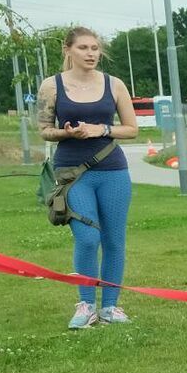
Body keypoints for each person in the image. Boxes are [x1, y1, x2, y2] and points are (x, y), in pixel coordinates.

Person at [36, 26, 140, 329]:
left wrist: (101, 129)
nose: (91, 54)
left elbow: (132, 129)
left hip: (113, 171)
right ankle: (85, 305)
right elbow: (44, 129)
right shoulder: (51, 86)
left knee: (113, 240)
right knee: (87, 237)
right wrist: (66, 133)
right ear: (68, 50)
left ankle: (110, 307)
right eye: (83, 48)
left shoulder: (114, 84)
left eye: (95, 48)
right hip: (72, 172)